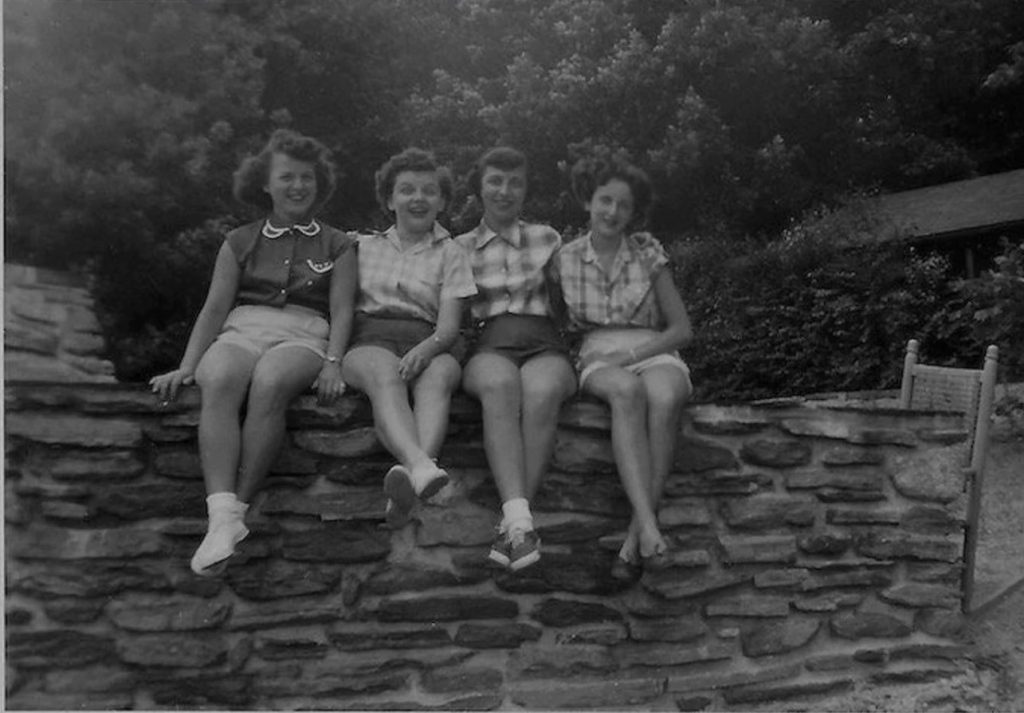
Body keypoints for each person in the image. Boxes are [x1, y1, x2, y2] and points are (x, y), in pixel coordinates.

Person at [150, 129, 356, 575]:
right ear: (266, 183)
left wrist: (334, 363)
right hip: (242, 328)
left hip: (304, 335)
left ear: (318, 183)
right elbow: (214, 308)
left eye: (306, 177)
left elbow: (342, 311)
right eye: (286, 177)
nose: (298, 186)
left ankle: (236, 511)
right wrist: (187, 365)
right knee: (219, 377)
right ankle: (222, 518)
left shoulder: (338, 243)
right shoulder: (239, 240)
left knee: (271, 381)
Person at [556, 156, 694, 580]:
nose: (613, 212)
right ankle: (648, 530)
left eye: (623, 206)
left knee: (666, 395)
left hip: (653, 349)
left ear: (634, 213)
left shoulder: (648, 252)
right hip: (598, 354)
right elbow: (553, 329)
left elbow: (682, 329)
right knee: (626, 393)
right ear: (588, 202)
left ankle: (635, 539)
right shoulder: (563, 259)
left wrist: (633, 357)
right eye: (605, 201)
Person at [455, 147, 577, 571]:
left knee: (542, 391)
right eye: (495, 181)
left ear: (525, 189)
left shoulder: (548, 237)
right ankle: (520, 525)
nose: (504, 191)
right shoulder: (458, 248)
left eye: (515, 182)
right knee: (500, 386)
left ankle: (514, 525)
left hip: (545, 342)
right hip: (489, 345)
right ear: (480, 186)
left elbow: (572, 301)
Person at [342, 147, 477, 528]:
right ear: (389, 199)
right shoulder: (360, 247)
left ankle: (410, 480)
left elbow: (449, 327)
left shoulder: (452, 252)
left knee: (436, 379)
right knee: (386, 377)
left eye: (429, 191)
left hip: (434, 339)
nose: (418, 198)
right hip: (371, 338)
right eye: (407, 190)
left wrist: (426, 349)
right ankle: (421, 468)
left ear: (443, 201)